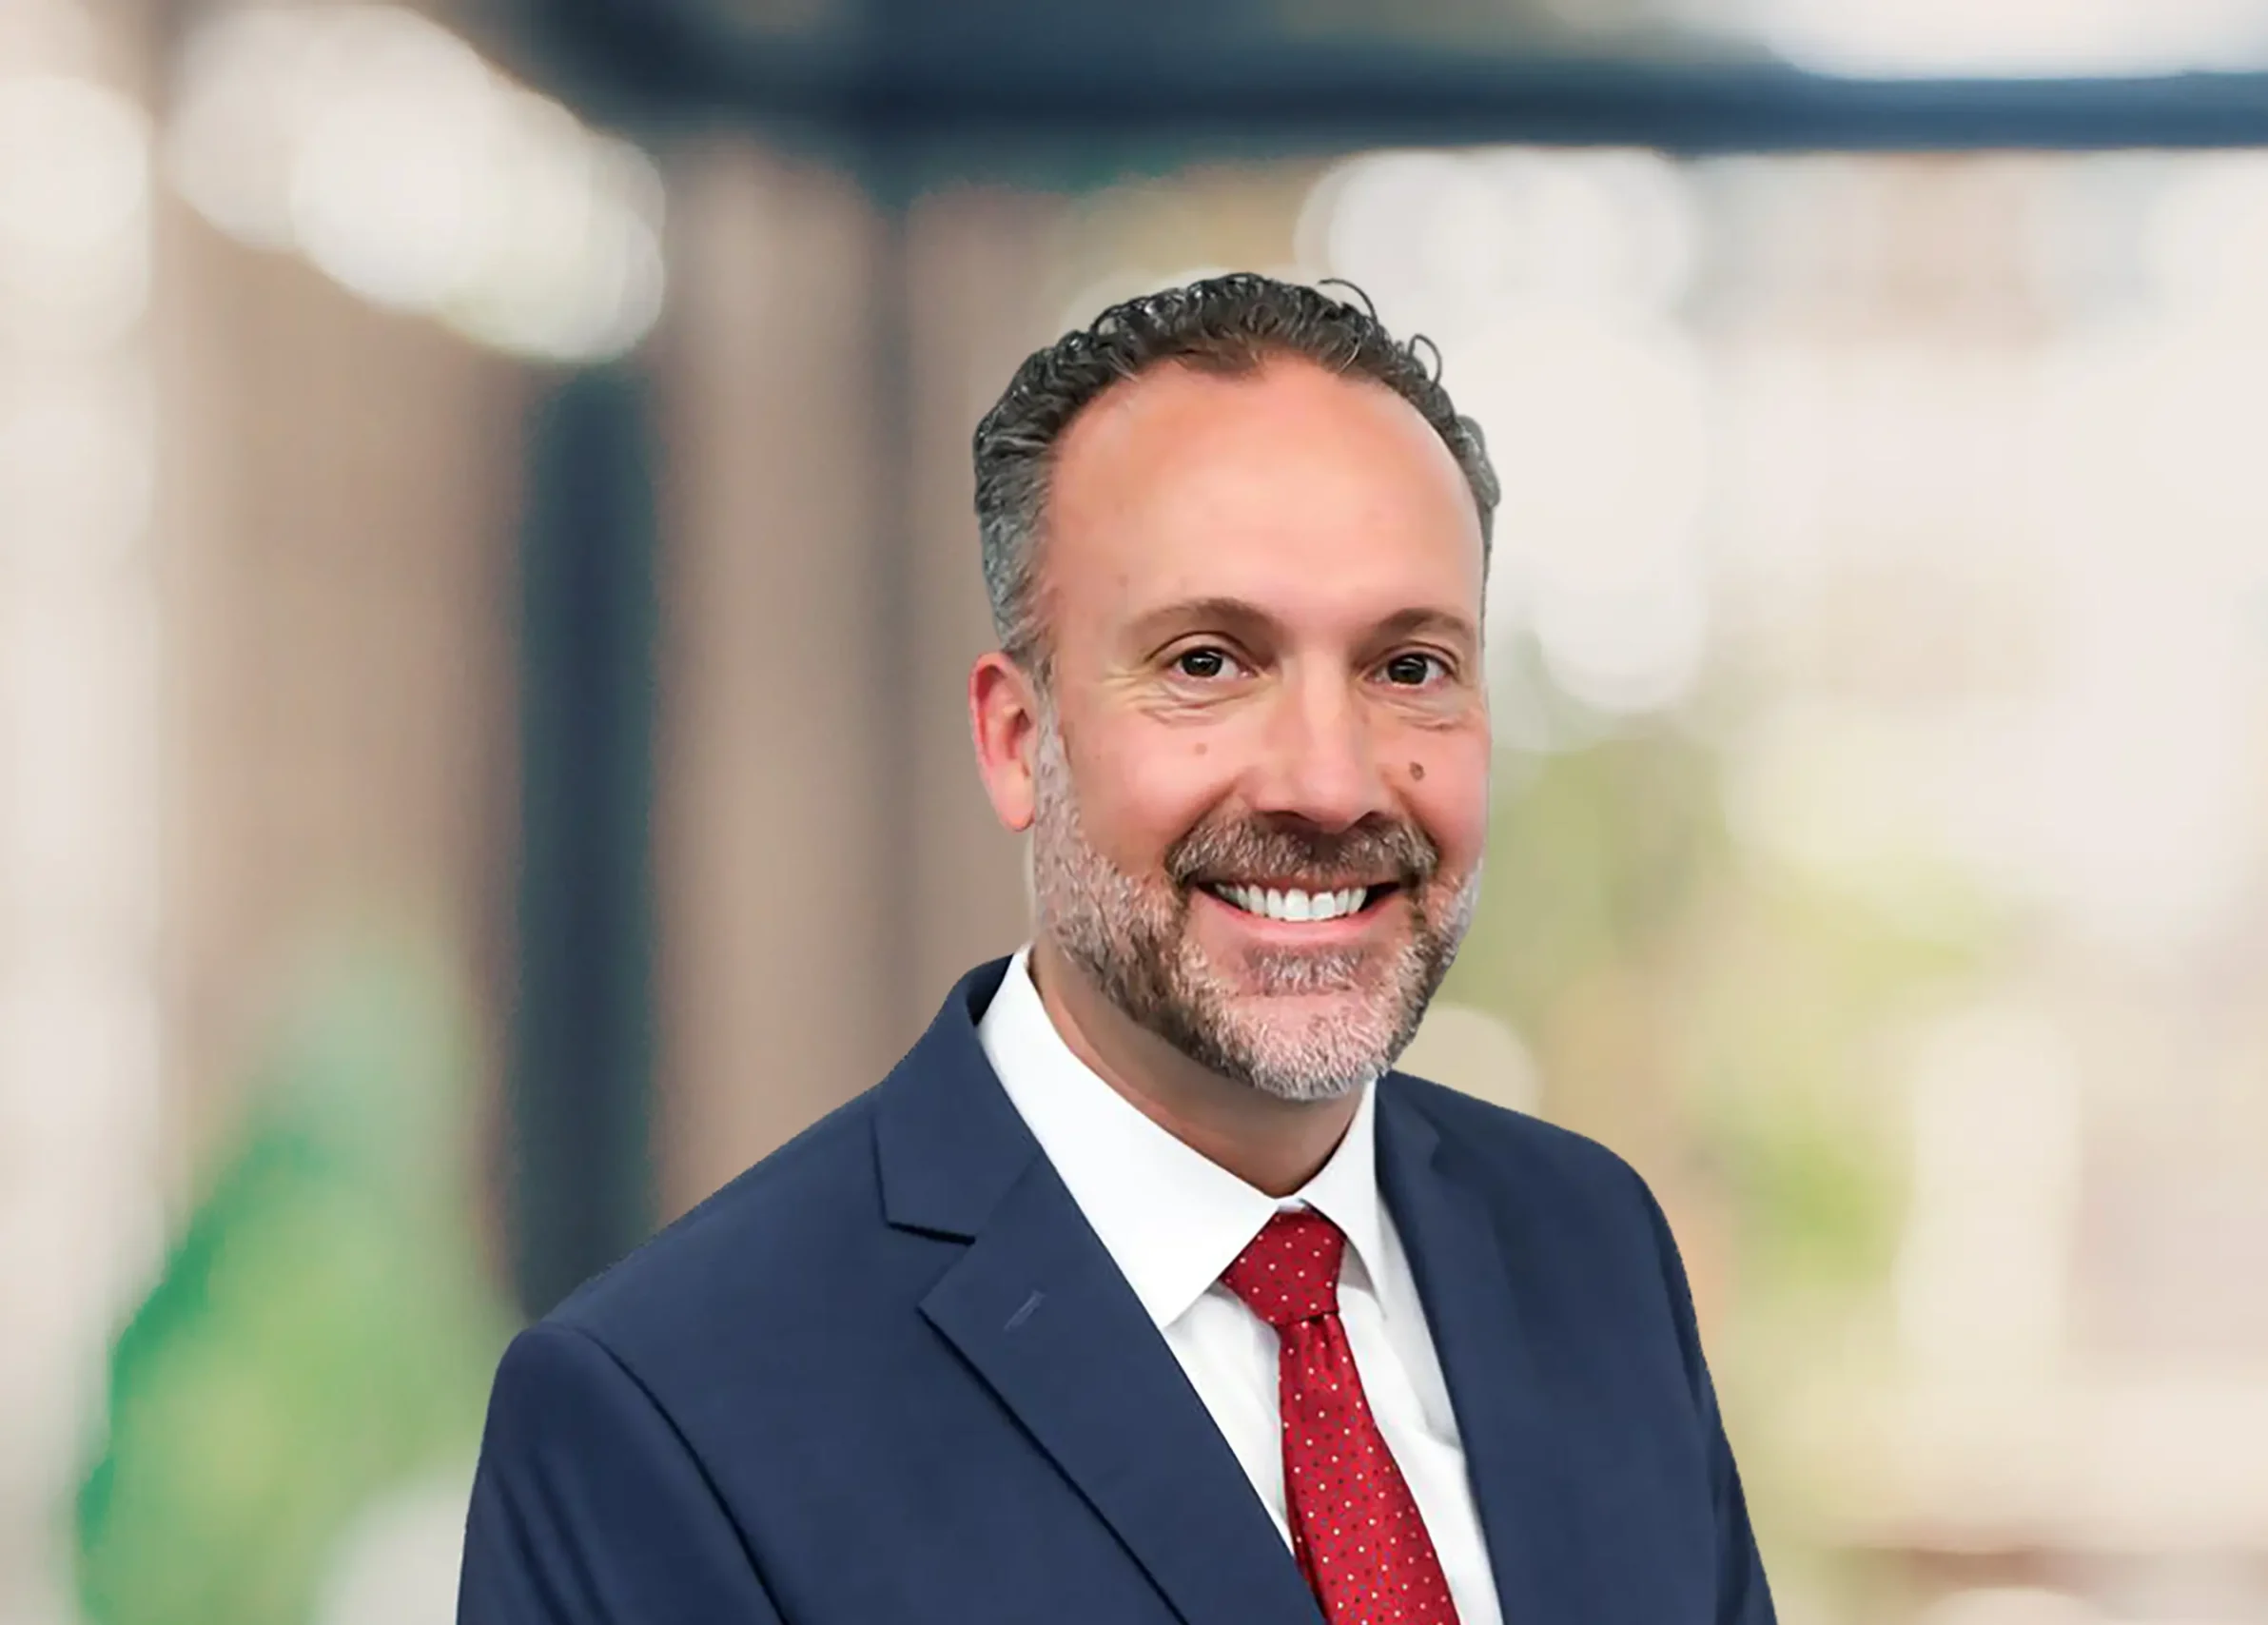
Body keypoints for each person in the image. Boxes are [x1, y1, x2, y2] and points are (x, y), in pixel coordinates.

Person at [458, 273, 1774, 1625]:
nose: (1330, 785)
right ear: (1016, 740)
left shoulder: (1590, 1251)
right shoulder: (666, 1417)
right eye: (1208, 662)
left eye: (1408, 668)